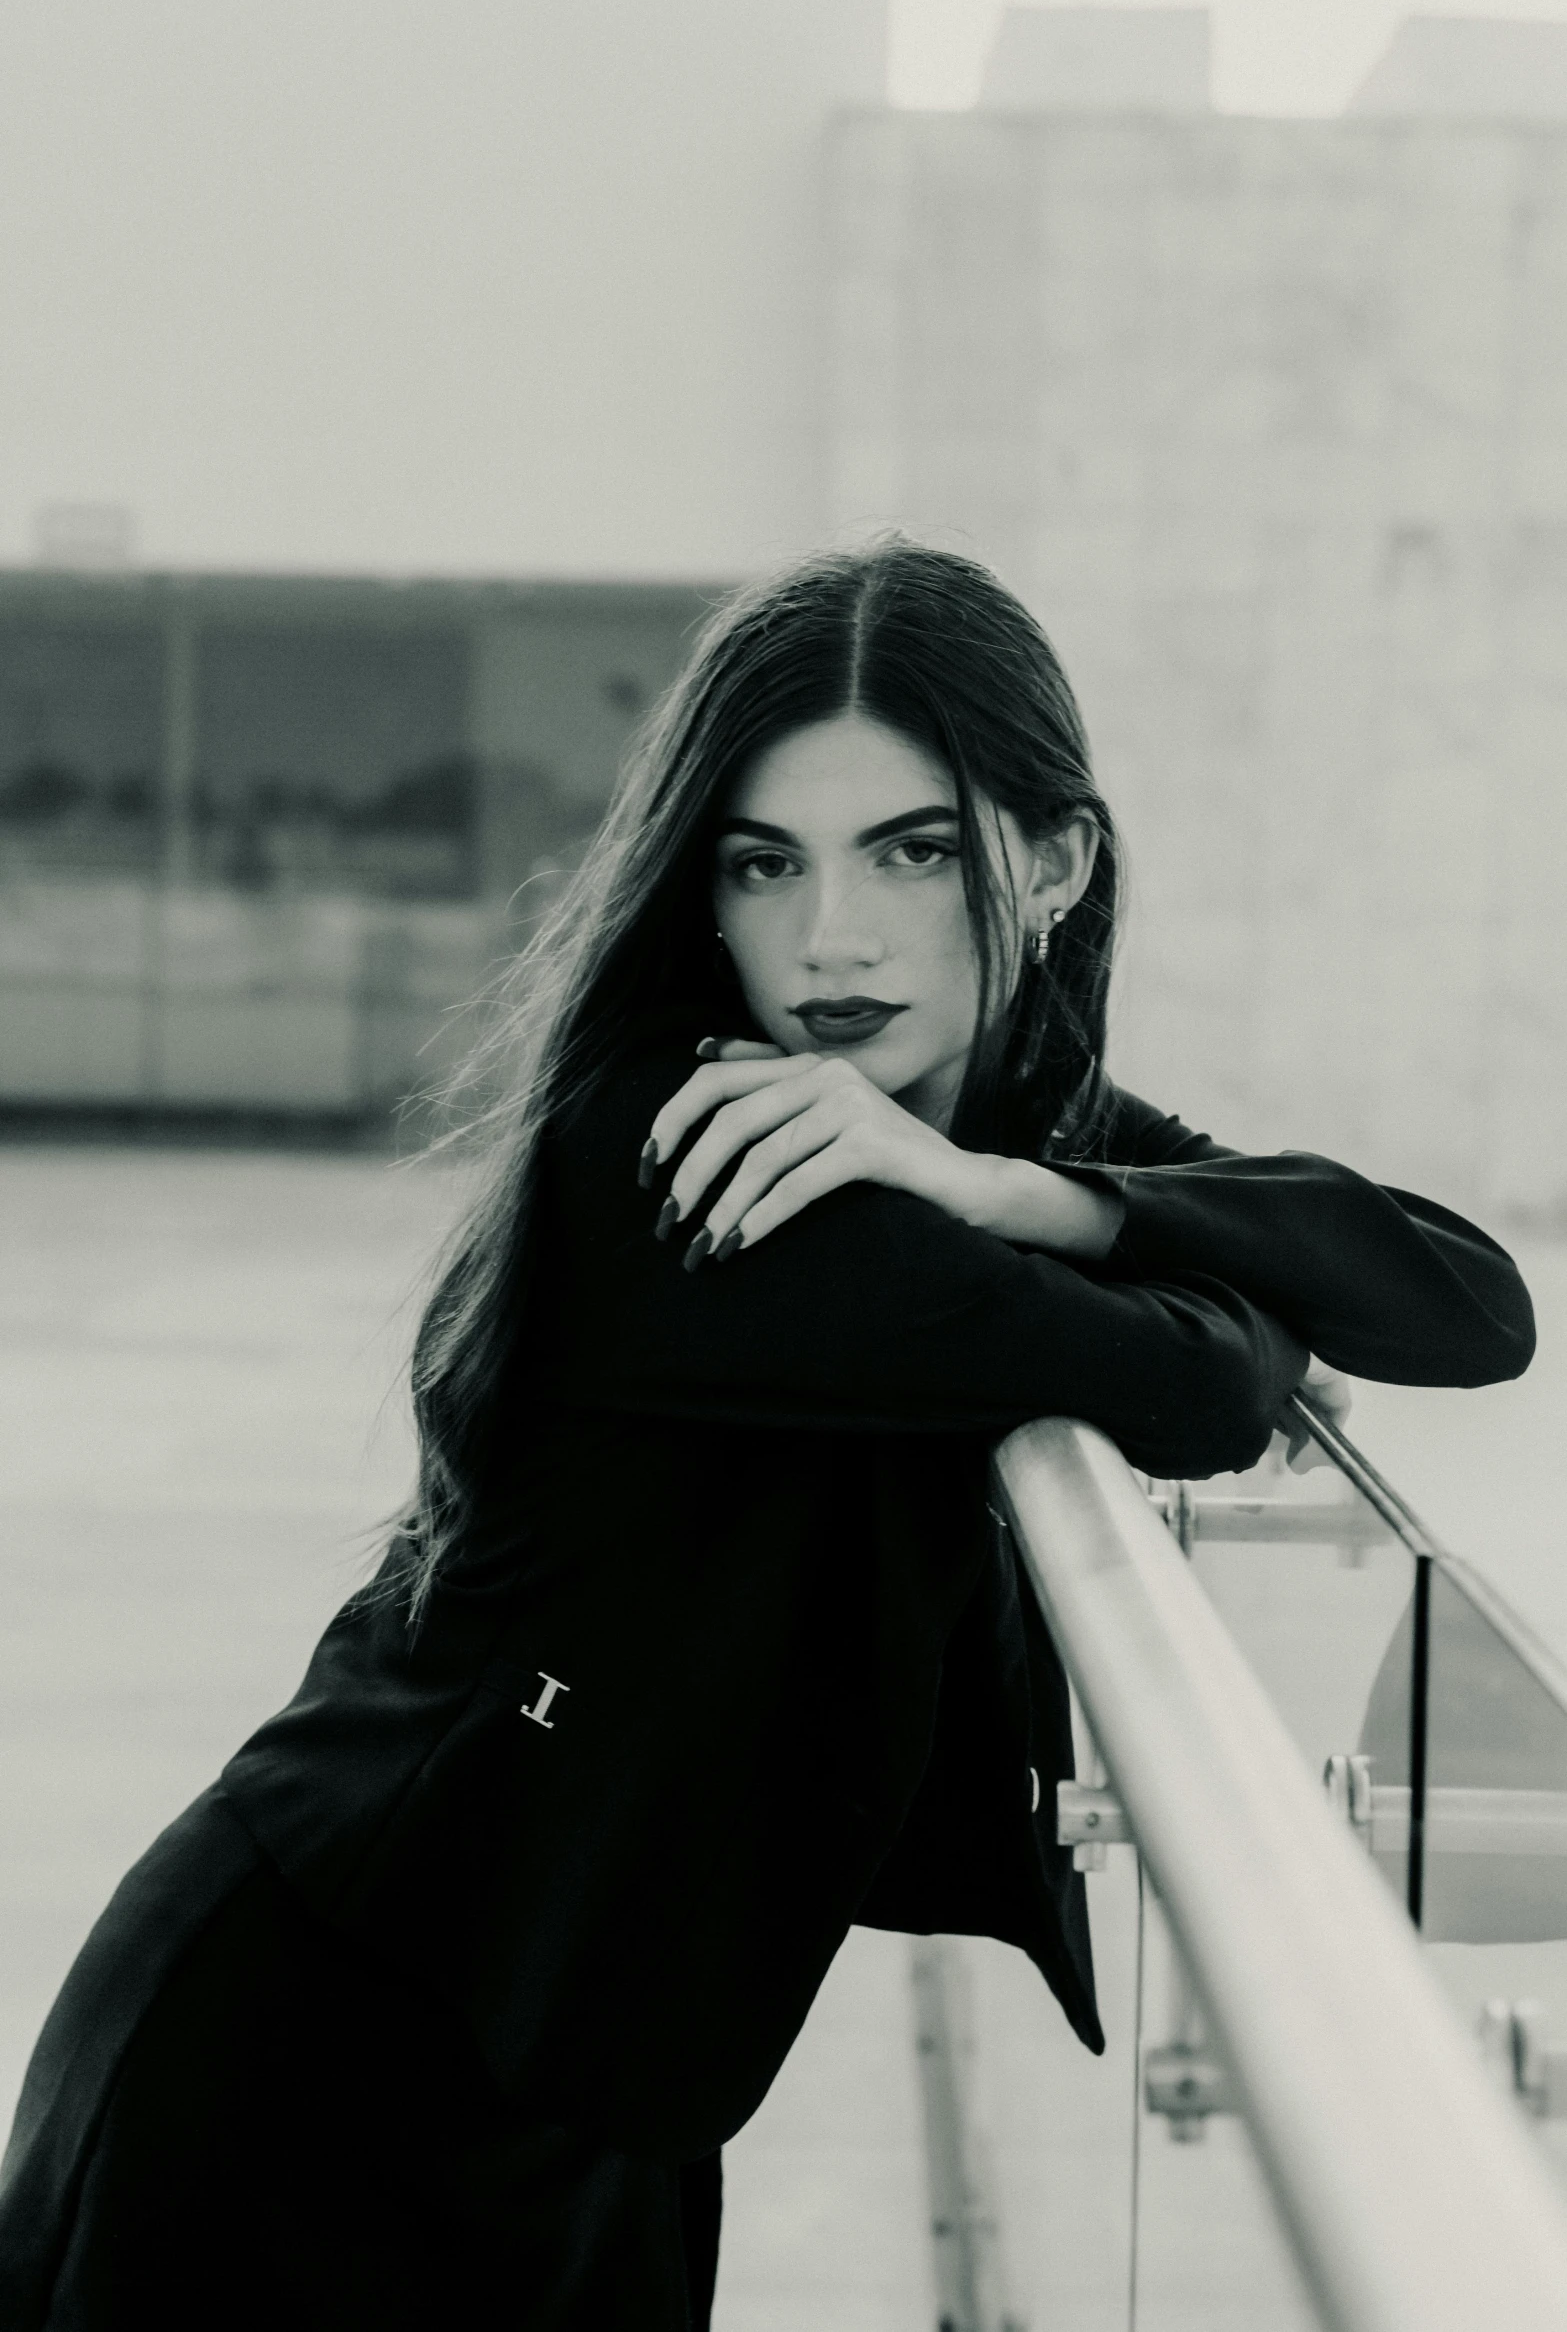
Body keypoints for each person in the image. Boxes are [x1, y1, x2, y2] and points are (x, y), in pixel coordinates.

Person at [0, 540, 1534, 2331]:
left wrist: (1030, 1191)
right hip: (313, 2070)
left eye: (914, 848)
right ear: (699, 893)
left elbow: (1461, 1300)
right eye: (762, 863)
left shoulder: (958, 1133)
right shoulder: (695, 1148)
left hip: (592, 2078)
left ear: (1050, 860)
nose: (831, 938)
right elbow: (1200, 1381)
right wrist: (1115, 1236)